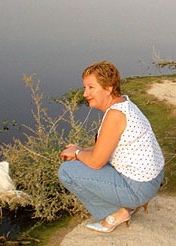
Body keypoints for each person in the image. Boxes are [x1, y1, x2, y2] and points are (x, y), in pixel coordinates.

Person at [58, 62, 164, 233]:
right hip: (150, 180)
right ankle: (125, 206)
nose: (85, 93)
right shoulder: (124, 104)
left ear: (108, 88)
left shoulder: (115, 115)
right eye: (85, 87)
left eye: (91, 87)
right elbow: (105, 147)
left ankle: (116, 213)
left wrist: (77, 154)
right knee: (85, 161)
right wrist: (81, 149)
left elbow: (97, 162)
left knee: (66, 171)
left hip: (138, 188)